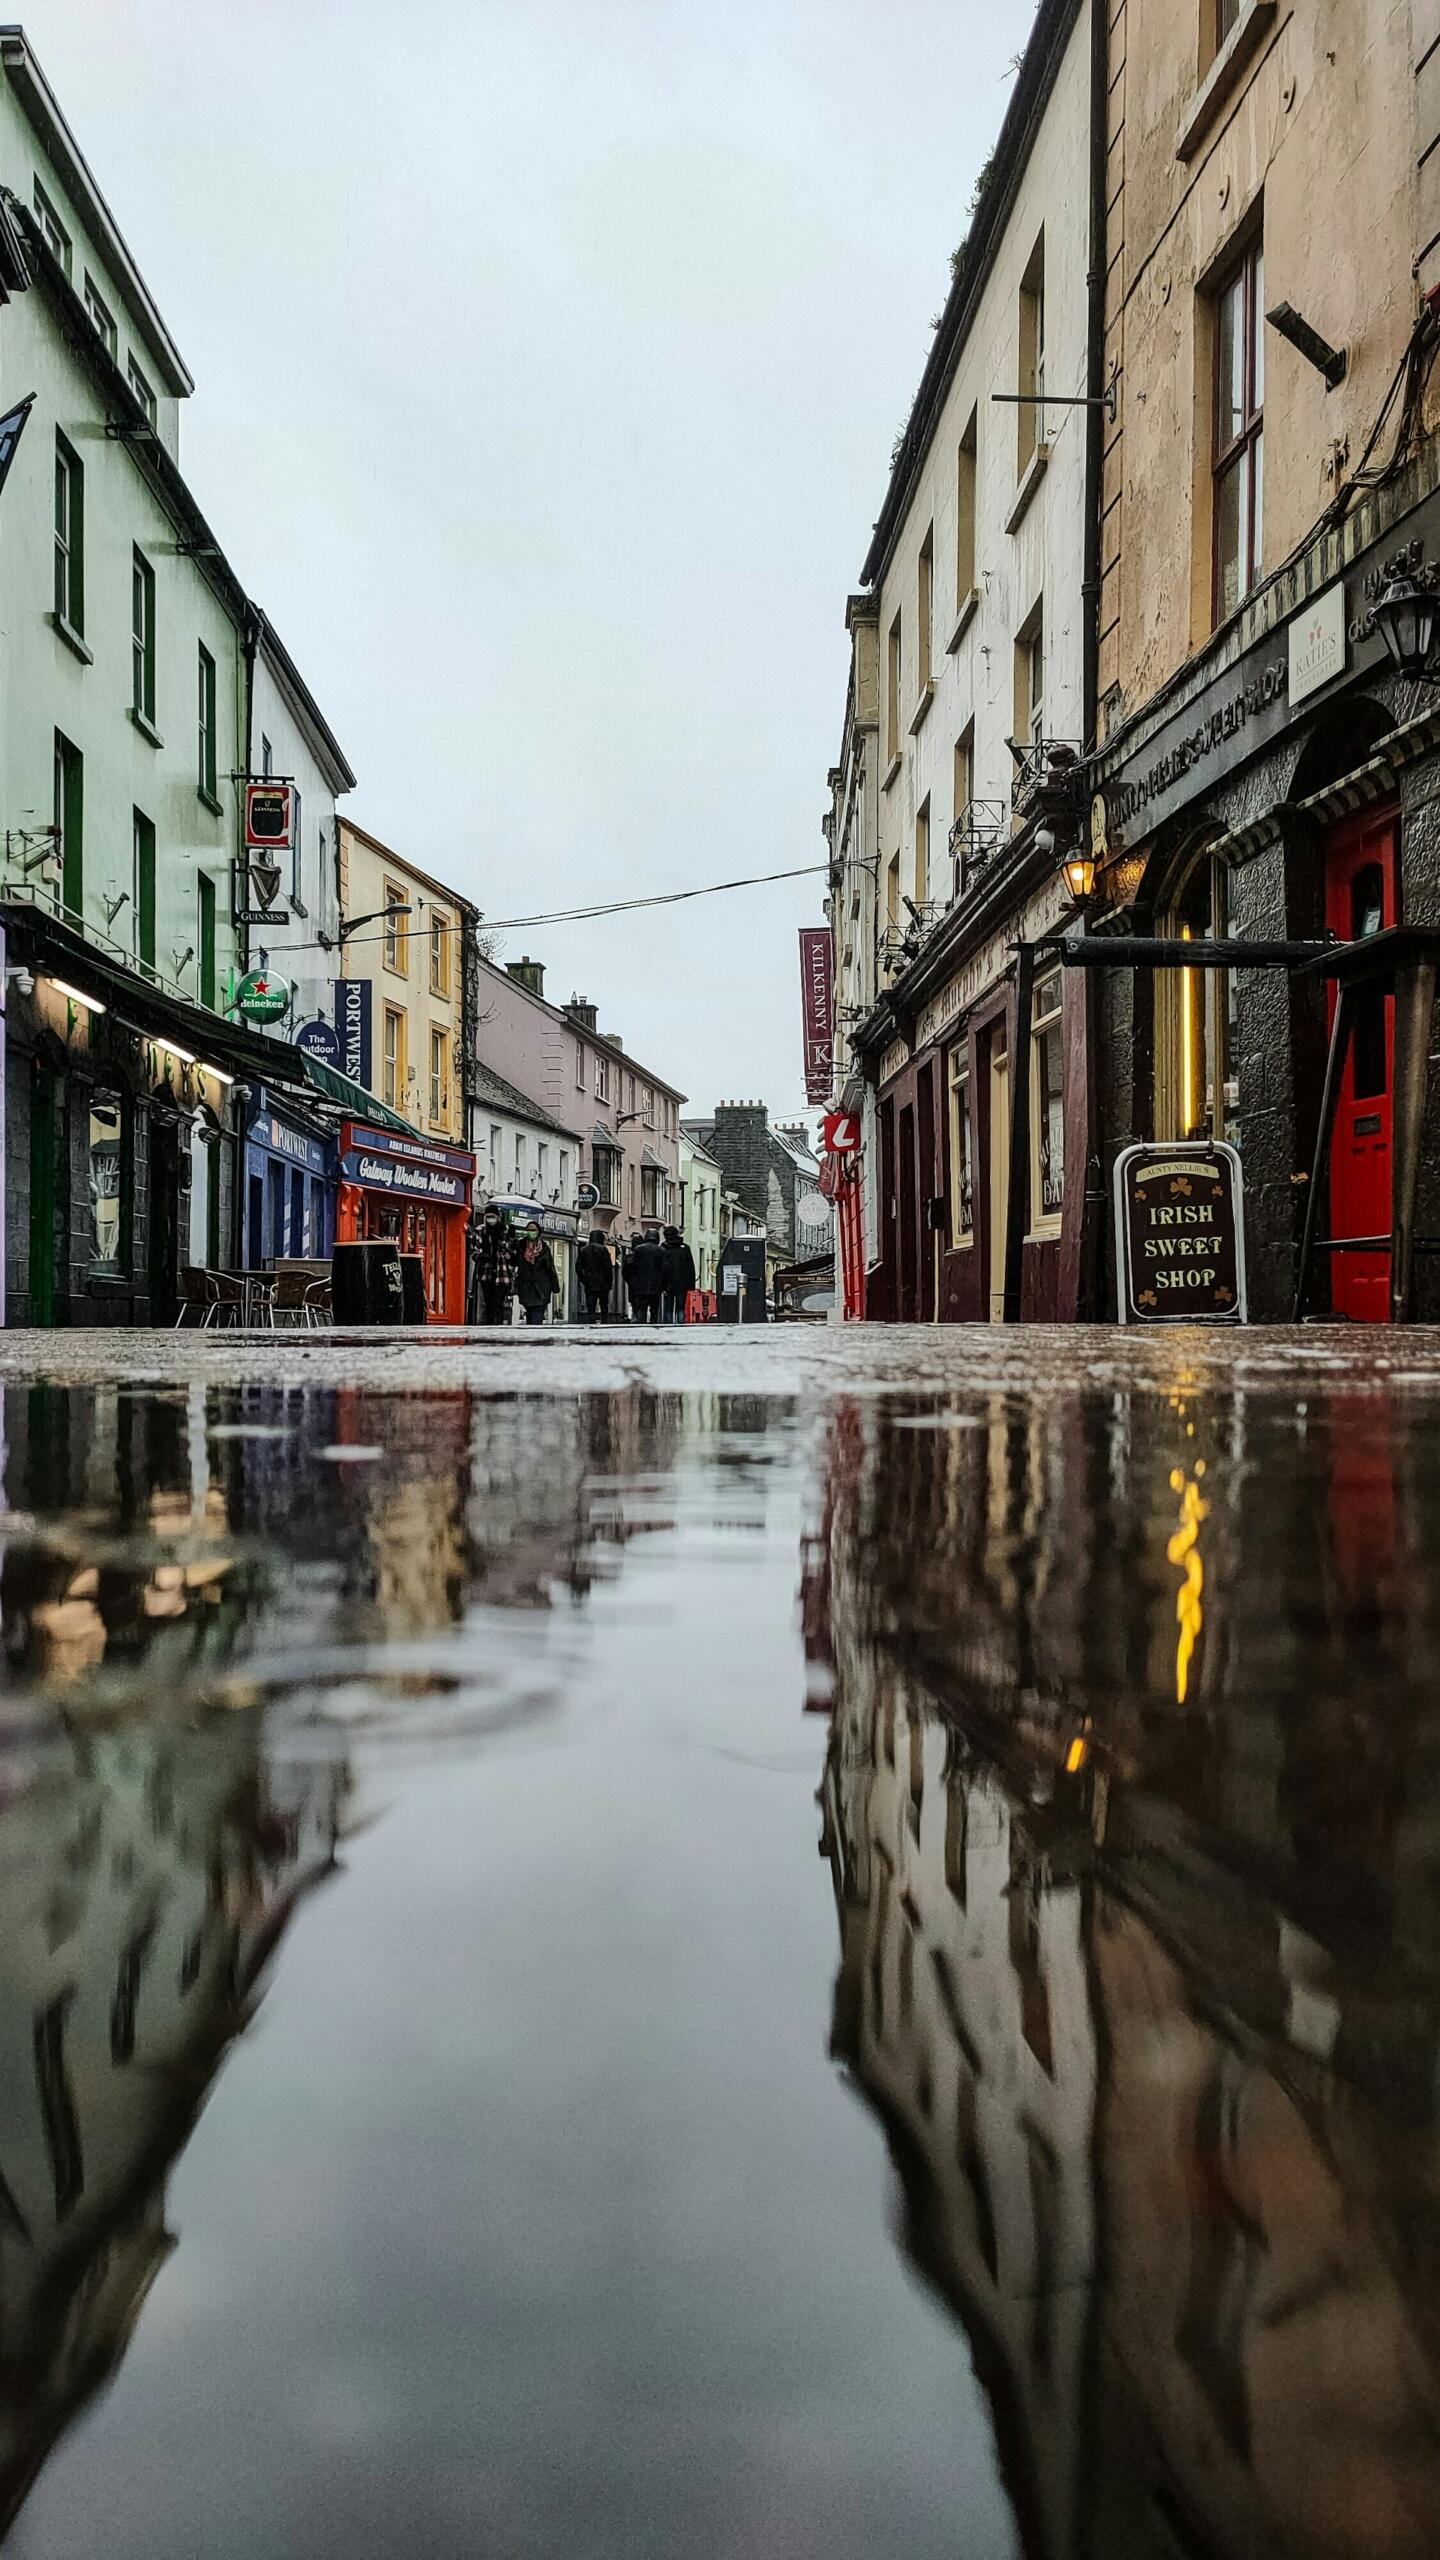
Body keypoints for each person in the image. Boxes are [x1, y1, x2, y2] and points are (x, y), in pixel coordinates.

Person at [474, 1206, 516, 1326]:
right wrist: (483, 1256)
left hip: (501, 1272)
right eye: (488, 1217)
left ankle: (498, 1325)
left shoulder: (505, 1230)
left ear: (498, 1217)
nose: (490, 1220)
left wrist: (511, 1240)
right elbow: (474, 1251)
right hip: (485, 1272)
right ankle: (489, 1324)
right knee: (488, 1302)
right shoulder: (480, 1231)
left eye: (493, 1217)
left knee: (499, 1302)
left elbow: (512, 1251)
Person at [514, 1223, 561, 1326]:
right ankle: (532, 1338)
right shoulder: (520, 1245)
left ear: (538, 1231)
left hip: (541, 1288)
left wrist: (555, 1286)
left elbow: (550, 1268)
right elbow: (515, 1262)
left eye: (534, 1230)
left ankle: (535, 1338)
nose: (531, 1232)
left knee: (537, 1315)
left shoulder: (544, 1248)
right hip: (526, 1286)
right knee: (530, 1315)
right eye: (529, 1230)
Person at [625, 1227, 666, 1324]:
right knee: (654, 1308)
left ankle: (641, 1324)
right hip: (656, 1285)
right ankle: (653, 1323)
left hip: (641, 1284)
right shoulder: (661, 1250)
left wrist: (633, 1281)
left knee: (642, 1307)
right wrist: (664, 1284)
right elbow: (664, 1269)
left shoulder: (639, 1249)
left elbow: (632, 1266)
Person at [576, 1228, 614, 1324]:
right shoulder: (603, 1249)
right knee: (604, 1305)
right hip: (603, 1283)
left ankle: (591, 1321)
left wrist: (584, 1280)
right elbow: (608, 1268)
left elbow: (578, 1268)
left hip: (590, 1282)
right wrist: (609, 1282)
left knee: (591, 1306)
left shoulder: (583, 1250)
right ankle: (604, 1321)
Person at [660, 1225, 696, 1325]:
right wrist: (691, 1284)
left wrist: (661, 1285)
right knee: (680, 1307)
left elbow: (660, 1268)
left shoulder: (663, 1248)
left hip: (667, 1284)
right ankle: (680, 1325)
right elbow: (690, 1267)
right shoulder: (685, 1248)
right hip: (682, 1284)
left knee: (668, 1308)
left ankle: (668, 1326)